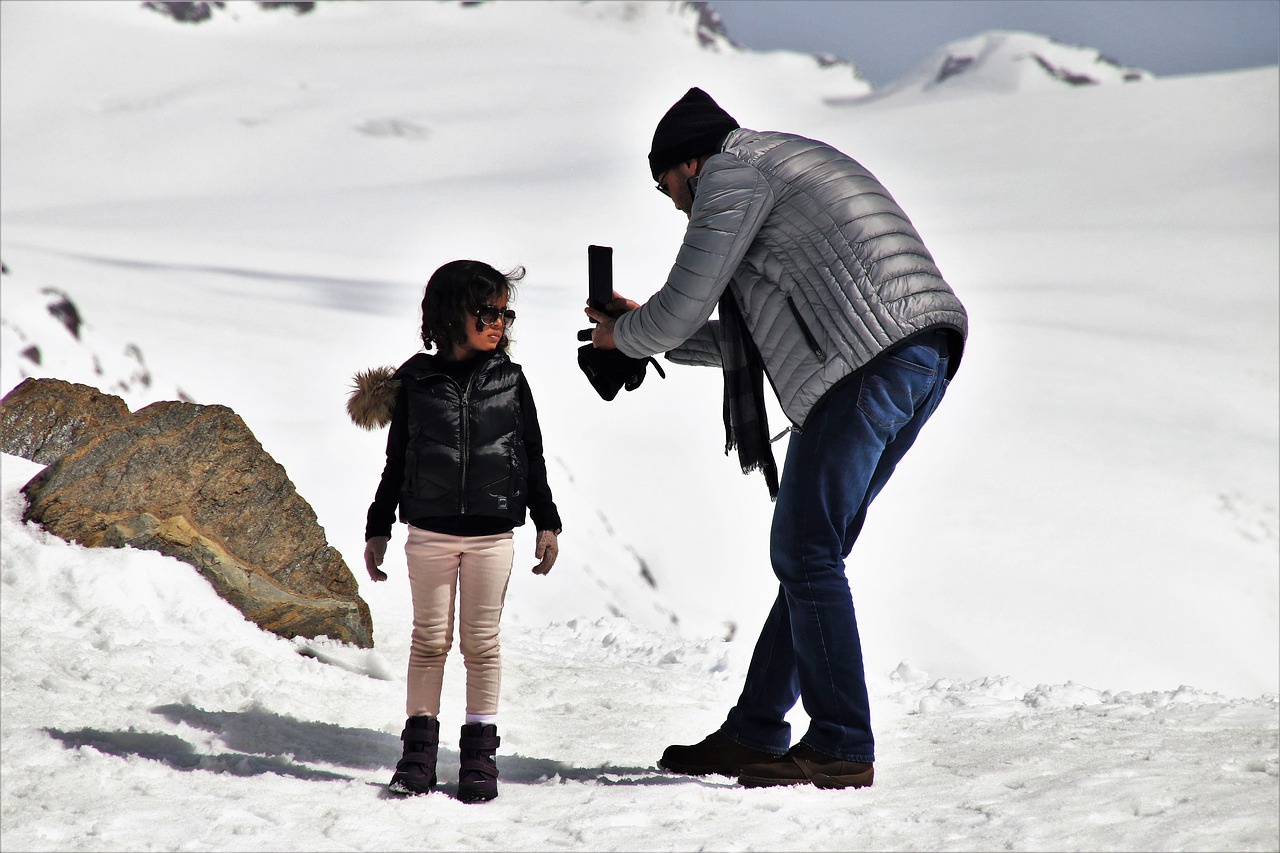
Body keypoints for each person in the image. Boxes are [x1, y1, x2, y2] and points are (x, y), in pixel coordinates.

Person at [584, 88, 968, 790]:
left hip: (870, 357)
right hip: (913, 351)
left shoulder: (732, 173)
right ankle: (756, 728)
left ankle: (842, 742)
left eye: (663, 182)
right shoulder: (770, 167)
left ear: (688, 163)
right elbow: (742, 335)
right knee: (812, 553)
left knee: (805, 549)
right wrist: (644, 336)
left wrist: (625, 337)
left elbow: (679, 308)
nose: (669, 200)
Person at [349, 259, 562, 802]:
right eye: (486, 312)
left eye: (504, 313)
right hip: (430, 533)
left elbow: (531, 454)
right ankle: (417, 755)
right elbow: (398, 460)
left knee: (482, 644)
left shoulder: (511, 380)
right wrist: (378, 526)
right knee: (429, 641)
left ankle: (478, 757)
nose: (499, 323)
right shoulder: (416, 381)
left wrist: (547, 520)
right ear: (449, 316)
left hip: (493, 535)